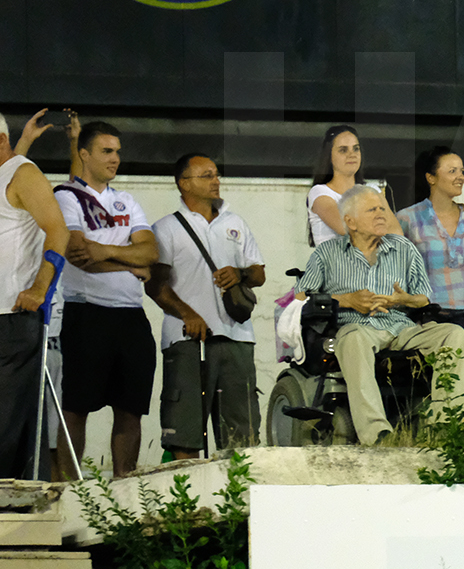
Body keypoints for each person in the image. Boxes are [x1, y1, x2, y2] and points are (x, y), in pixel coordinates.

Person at [298, 185, 464, 444]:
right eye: (371, 210)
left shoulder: (403, 248)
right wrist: (347, 300)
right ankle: (377, 434)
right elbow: (300, 297)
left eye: (382, 208)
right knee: (353, 339)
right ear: (350, 222)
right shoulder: (327, 254)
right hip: (356, 327)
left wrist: (403, 299)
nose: (381, 214)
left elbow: (423, 297)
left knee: (453, 334)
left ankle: (447, 426)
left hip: (401, 327)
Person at [54, 121, 160, 478]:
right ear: (84, 154)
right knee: (76, 406)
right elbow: (78, 253)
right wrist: (128, 259)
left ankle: (125, 487)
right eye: (106, 151)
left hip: (131, 316)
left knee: (131, 407)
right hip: (87, 313)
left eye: (117, 151)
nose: (115, 158)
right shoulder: (67, 196)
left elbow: (150, 252)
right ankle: (71, 491)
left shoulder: (126, 200)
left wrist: (104, 251)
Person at [146, 154, 266, 457]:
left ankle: (237, 500)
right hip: (188, 339)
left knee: (242, 434)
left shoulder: (235, 222)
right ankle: (187, 502)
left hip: (237, 336)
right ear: (183, 183)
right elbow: (155, 285)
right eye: (207, 175)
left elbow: (259, 274)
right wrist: (188, 314)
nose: (216, 181)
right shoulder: (166, 228)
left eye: (216, 175)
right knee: (184, 433)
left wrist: (239, 273)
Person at [0, 112, 69, 479]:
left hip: (12, 316)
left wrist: (40, 287)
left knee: (9, 420)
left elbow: (58, 231)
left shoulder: (23, 174)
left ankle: (15, 505)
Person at [397, 148, 464, 408]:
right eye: (452, 171)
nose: (460, 176)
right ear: (431, 177)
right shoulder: (407, 219)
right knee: (431, 388)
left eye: (461, 170)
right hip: (429, 318)